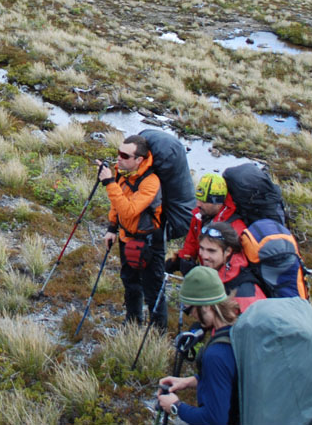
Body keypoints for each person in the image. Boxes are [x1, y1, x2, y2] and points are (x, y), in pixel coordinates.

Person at [157, 266, 240, 425]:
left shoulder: (216, 354)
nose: (192, 315)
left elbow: (214, 420)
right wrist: (188, 381)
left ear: (207, 306)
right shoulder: (236, 330)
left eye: (191, 309)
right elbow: (228, 377)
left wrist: (176, 407)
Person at [100, 134, 165, 327]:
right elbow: (117, 205)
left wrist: (109, 183)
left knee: (153, 289)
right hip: (126, 239)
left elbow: (129, 211)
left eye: (125, 155)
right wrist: (112, 227)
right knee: (130, 283)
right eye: (119, 153)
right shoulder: (121, 173)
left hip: (149, 243)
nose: (119, 158)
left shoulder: (151, 182)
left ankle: (157, 333)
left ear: (139, 160)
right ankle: (132, 323)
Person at [168, 172, 245, 274]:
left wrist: (202, 275)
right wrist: (180, 260)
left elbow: (236, 266)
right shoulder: (199, 217)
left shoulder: (235, 228)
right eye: (198, 199)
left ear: (218, 202)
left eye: (204, 201)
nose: (198, 204)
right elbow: (191, 244)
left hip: (222, 282)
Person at [196, 221, 265, 313]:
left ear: (228, 251)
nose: (204, 256)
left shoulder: (244, 290)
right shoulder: (219, 272)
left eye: (211, 251)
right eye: (201, 248)